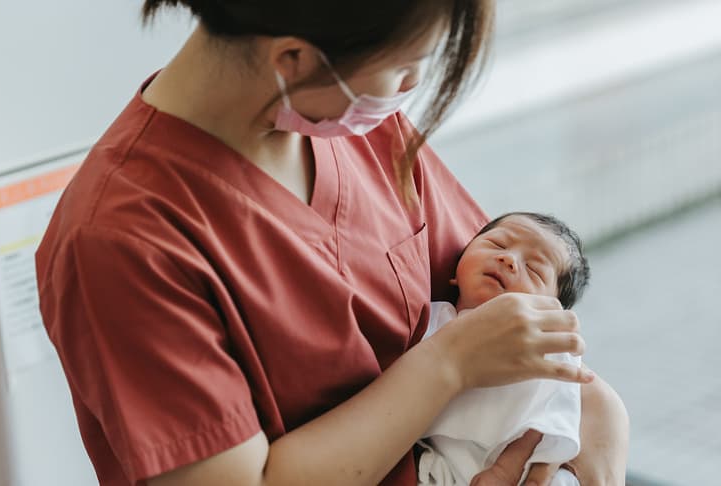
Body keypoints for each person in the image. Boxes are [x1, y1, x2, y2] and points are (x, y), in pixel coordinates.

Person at [34, 1, 629, 485]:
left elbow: (512, 318)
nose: (414, 85)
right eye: (406, 64)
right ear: (292, 58)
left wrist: (602, 422)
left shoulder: (357, 123)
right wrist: (447, 364)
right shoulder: (125, 241)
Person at [417, 212, 591, 486]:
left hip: (524, 465)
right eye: (497, 245)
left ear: (549, 310)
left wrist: (507, 469)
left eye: (534, 269)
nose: (508, 259)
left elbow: (558, 416)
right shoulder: (428, 321)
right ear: (455, 271)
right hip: (443, 463)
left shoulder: (548, 347)